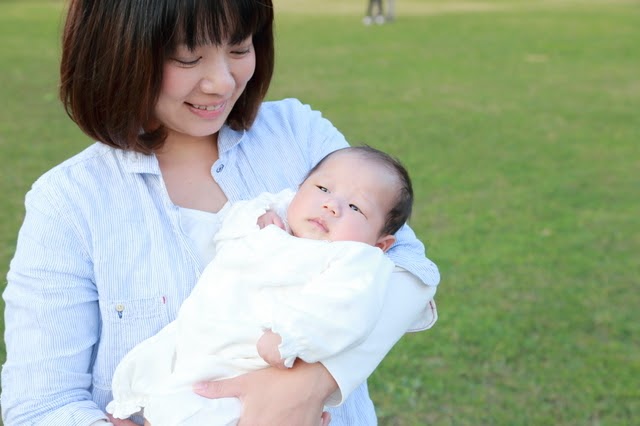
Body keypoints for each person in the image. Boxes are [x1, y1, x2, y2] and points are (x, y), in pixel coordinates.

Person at [1, 1, 440, 425]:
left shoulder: (297, 136)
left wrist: (307, 386)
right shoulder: (69, 203)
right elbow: (40, 403)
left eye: (239, 48)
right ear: (119, 51)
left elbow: (409, 269)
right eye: (188, 58)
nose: (223, 83)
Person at [106, 146, 415, 425]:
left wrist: (292, 338)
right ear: (298, 190)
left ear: (381, 244)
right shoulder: (274, 215)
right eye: (322, 188)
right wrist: (257, 217)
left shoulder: (357, 261)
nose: (331, 206)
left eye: (356, 208)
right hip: (199, 337)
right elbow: (227, 234)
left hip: (252, 361)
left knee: (214, 410)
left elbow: (344, 311)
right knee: (168, 390)